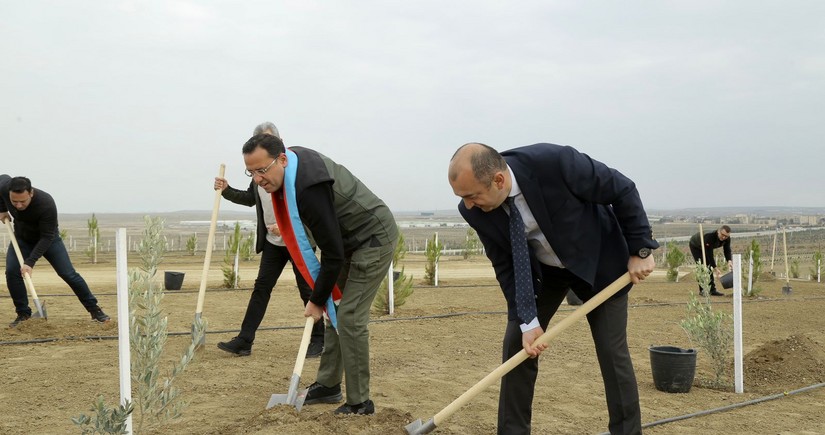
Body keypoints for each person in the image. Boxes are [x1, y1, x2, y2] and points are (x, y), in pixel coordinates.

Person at [448, 142, 658, 435]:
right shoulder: (473, 210)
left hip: (600, 264)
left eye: (472, 196)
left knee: (612, 351)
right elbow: (505, 265)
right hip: (545, 274)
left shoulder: (554, 163)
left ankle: (626, 431)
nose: (468, 205)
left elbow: (621, 189)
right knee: (517, 345)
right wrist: (528, 322)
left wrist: (640, 249)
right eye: (462, 197)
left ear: (498, 180)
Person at [238, 133, 397, 415]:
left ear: (282, 159)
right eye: (251, 173)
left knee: (349, 316)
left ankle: (361, 402)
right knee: (334, 308)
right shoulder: (291, 168)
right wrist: (323, 298)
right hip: (347, 242)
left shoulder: (308, 187)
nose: (258, 180)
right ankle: (328, 384)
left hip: (372, 238)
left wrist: (314, 299)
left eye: (262, 170)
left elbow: (332, 254)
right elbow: (332, 248)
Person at [214, 122, 324, 358]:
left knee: (308, 290)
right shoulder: (258, 174)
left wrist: (287, 228)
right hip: (274, 244)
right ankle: (244, 340)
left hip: (299, 241)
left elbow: (310, 207)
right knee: (261, 289)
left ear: (280, 143)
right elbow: (249, 198)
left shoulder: (293, 169)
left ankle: (318, 340)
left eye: (269, 141)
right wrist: (226, 189)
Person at [0, 175, 110, 327]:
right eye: (14, 201)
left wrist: (29, 262)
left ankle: (95, 310)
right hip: (22, 239)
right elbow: (2, 180)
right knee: (12, 272)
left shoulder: (46, 204)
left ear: (31, 193)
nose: (18, 205)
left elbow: (46, 237)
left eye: (22, 201)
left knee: (68, 273)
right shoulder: (5, 187)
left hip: (48, 240)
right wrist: (3, 209)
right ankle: (23, 315)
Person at [688, 225, 732, 296]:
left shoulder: (727, 238)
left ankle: (712, 290)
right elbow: (709, 255)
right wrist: (715, 268)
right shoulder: (710, 237)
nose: (724, 237)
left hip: (706, 247)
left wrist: (729, 261)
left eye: (726, 236)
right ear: (718, 231)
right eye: (722, 235)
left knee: (709, 267)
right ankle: (702, 290)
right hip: (696, 246)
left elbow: (727, 250)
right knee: (702, 266)